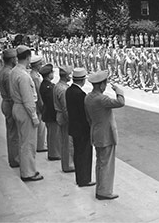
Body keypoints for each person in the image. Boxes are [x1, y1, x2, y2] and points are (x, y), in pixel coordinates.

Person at [84, 70, 125, 200]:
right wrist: (119, 91)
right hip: (106, 135)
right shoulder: (102, 99)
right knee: (106, 164)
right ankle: (104, 191)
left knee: (100, 163)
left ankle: (101, 189)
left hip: (96, 133)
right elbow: (120, 102)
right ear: (101, 85)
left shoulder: (88, 97)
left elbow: (88, 118)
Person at [9, 45, 43, 181]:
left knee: (23, 140)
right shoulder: (23, 76)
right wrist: (34, 116)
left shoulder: (14, 71)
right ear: (28, 58)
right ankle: (28, 172)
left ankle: (26, 168)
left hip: (17, 107)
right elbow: (28, 100)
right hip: (24, 109)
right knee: (28, 143)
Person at [66, 67, 95, 187]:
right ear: (83, 80)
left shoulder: (69, 90)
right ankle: (84, 179)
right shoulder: (81, 94)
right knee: (85, 154)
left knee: (78, 154)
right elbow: (85, 114)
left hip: (73, 126)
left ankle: (80, 178)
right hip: (82, 129)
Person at [0, 48, 19, 168]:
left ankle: (14, 157)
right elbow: (12, 93)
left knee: (11, 132)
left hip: (5, 102)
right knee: (14, 133)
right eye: (15, 58)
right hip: (10, 103)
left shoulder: (3, 70)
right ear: (11, 59)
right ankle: (15, 159)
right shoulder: (9, 73)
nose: (16, 60)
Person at [53, 65, 75, 172]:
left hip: (60, 116)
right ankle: (68, 165)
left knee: (65, 141)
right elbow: (66, 108)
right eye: (69, 74)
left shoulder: (58, 86)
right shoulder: (64, 89)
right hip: (64, 118)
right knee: (68, 142)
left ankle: (67, 163)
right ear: (66, 76)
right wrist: (71, 120)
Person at [39, 63, 61, 160]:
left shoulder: (45, 85)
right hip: (51, 113)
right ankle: (53, 154)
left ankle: (54, 152)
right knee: (53, 134)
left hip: (48, 112)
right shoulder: (48, 87)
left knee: (53, 134)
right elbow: (52, 102)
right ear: (49, 74)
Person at [30, 55, 48, 152]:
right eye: (40, 64)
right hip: (38, 103)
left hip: (36, 102)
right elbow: (38, 92)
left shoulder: (34, 75)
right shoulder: (35, 77)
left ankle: (40, 144)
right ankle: (40, 145)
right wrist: (41, 105)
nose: (41, 65)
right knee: (41, 124)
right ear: (37, 65)